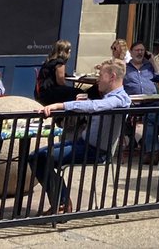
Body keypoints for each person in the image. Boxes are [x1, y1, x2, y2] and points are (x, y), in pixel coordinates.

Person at [32, 59, 131, 214]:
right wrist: (86, 101)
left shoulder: (120, 99)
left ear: (112, 77)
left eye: (101, 75)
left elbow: (95, 107)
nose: (98, 79)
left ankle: (62, 203)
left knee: (41, 157)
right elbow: (96, 106)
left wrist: (60, 105)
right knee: (37, 156)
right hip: (83, 143)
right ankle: (61, 201)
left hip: (95, 151)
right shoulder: (109, 97)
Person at [36, 40, 79, 105]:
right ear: (65, 51)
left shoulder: (49, 61)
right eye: (69, 49)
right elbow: (60, 81)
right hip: (49, 93)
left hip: (41, 92)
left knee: (71, 91)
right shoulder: (59, 62)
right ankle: (69, 112)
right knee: (78, 92)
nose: (70, 51)